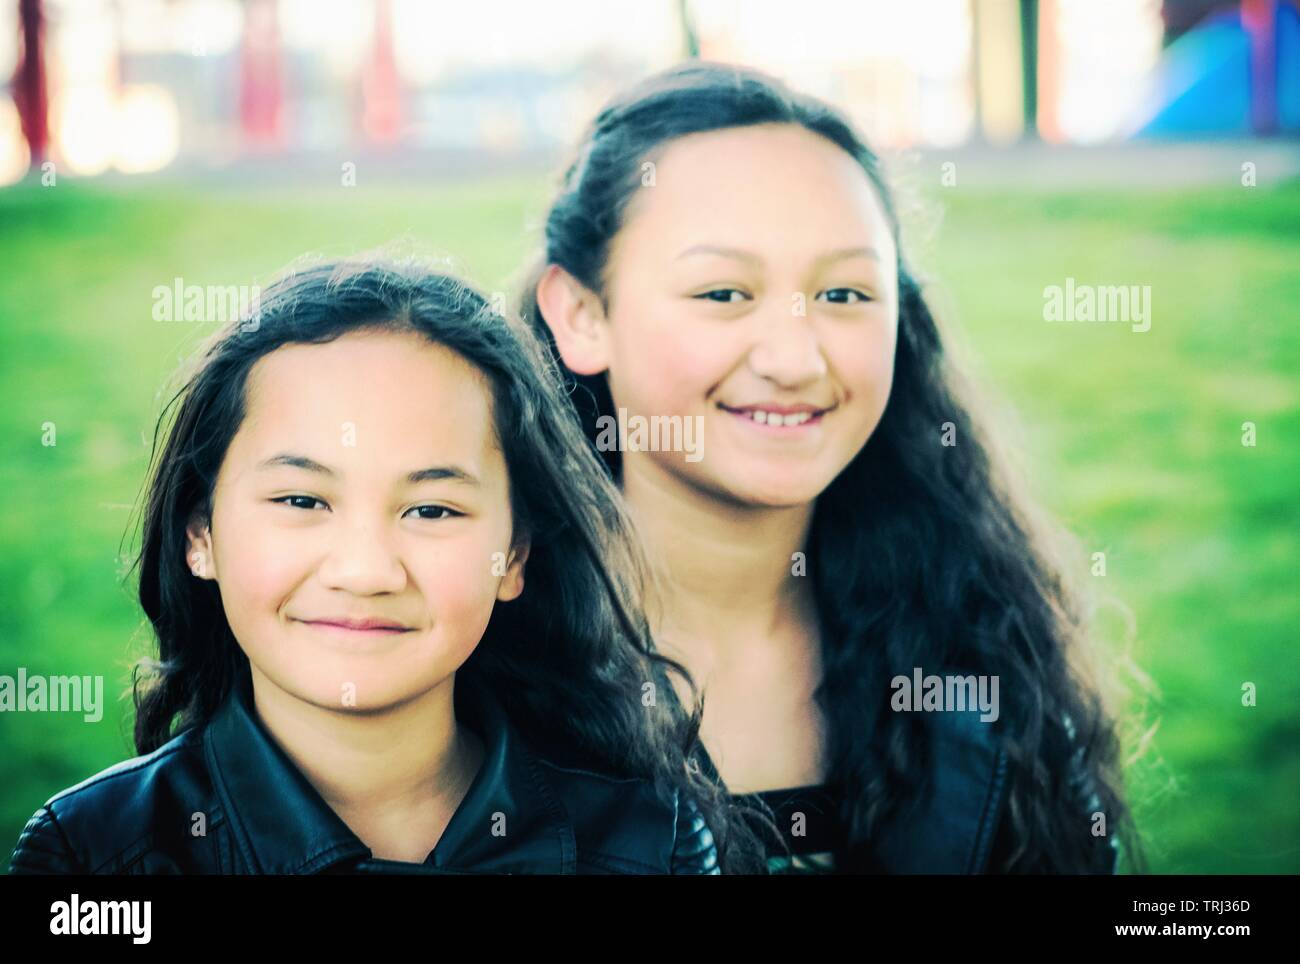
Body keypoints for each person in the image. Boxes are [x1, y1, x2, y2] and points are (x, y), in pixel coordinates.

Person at [522, 61, 1138, 873]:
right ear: (582, 315)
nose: (794, 357)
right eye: (723, 293)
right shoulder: (472, 670)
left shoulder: (979, 650)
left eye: (844, 295)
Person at [8, 256, 750, 875]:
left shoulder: (650, 844)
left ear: (514, 554)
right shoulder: (89, 856)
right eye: (301, 500)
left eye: (431, 510)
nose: (365, 571)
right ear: (199, 532)